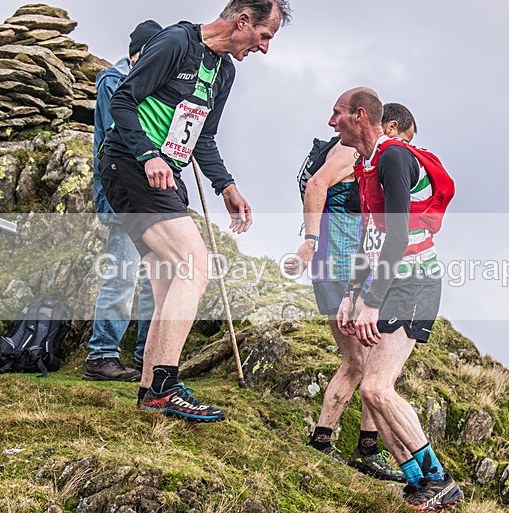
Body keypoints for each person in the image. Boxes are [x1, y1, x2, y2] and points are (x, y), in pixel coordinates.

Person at [101, 0, 291, 421]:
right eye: (264, 36)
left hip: (166, 175)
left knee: (170, 281)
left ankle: (151, 389)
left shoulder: (225, 72)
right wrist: (149, 153)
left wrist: (227, 186)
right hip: (131, 165)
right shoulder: (176, 41)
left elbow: (202, 138)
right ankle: (166, 385)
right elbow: (123, 102)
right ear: (242, 21)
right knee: (194, 265)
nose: (264, 48)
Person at [330, 88, 463, 513]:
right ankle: (417, 482)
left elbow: (400, 235)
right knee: (371, 393)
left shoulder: (392, 158)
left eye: (338, 115)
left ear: (361, 115)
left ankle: (440, 479)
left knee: (376, 386)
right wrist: (352, 296)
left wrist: (371, 300)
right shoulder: (366, 164)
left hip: (415, 284)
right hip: (391, 283)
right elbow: (369, 238)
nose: (332, 123)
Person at [284, 103, 418, 483]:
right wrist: (309, 242)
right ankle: (365, 450)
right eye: (403, 141)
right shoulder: (348, 152)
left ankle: (328, 440)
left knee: (358, 361)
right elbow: (316, 185)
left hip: (337, 267)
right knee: (369, 362)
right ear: (389, 126)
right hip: (343, 266)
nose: (402, 151)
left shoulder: (360, 157)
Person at [83, 20, 162, 383]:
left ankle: (147, 353)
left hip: (149, 192)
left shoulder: (143, 80)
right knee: (123, 272)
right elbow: (120, 129)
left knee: (152, 276)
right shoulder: (114, 82)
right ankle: (101, 355)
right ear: (141, 53)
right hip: (123, 193)